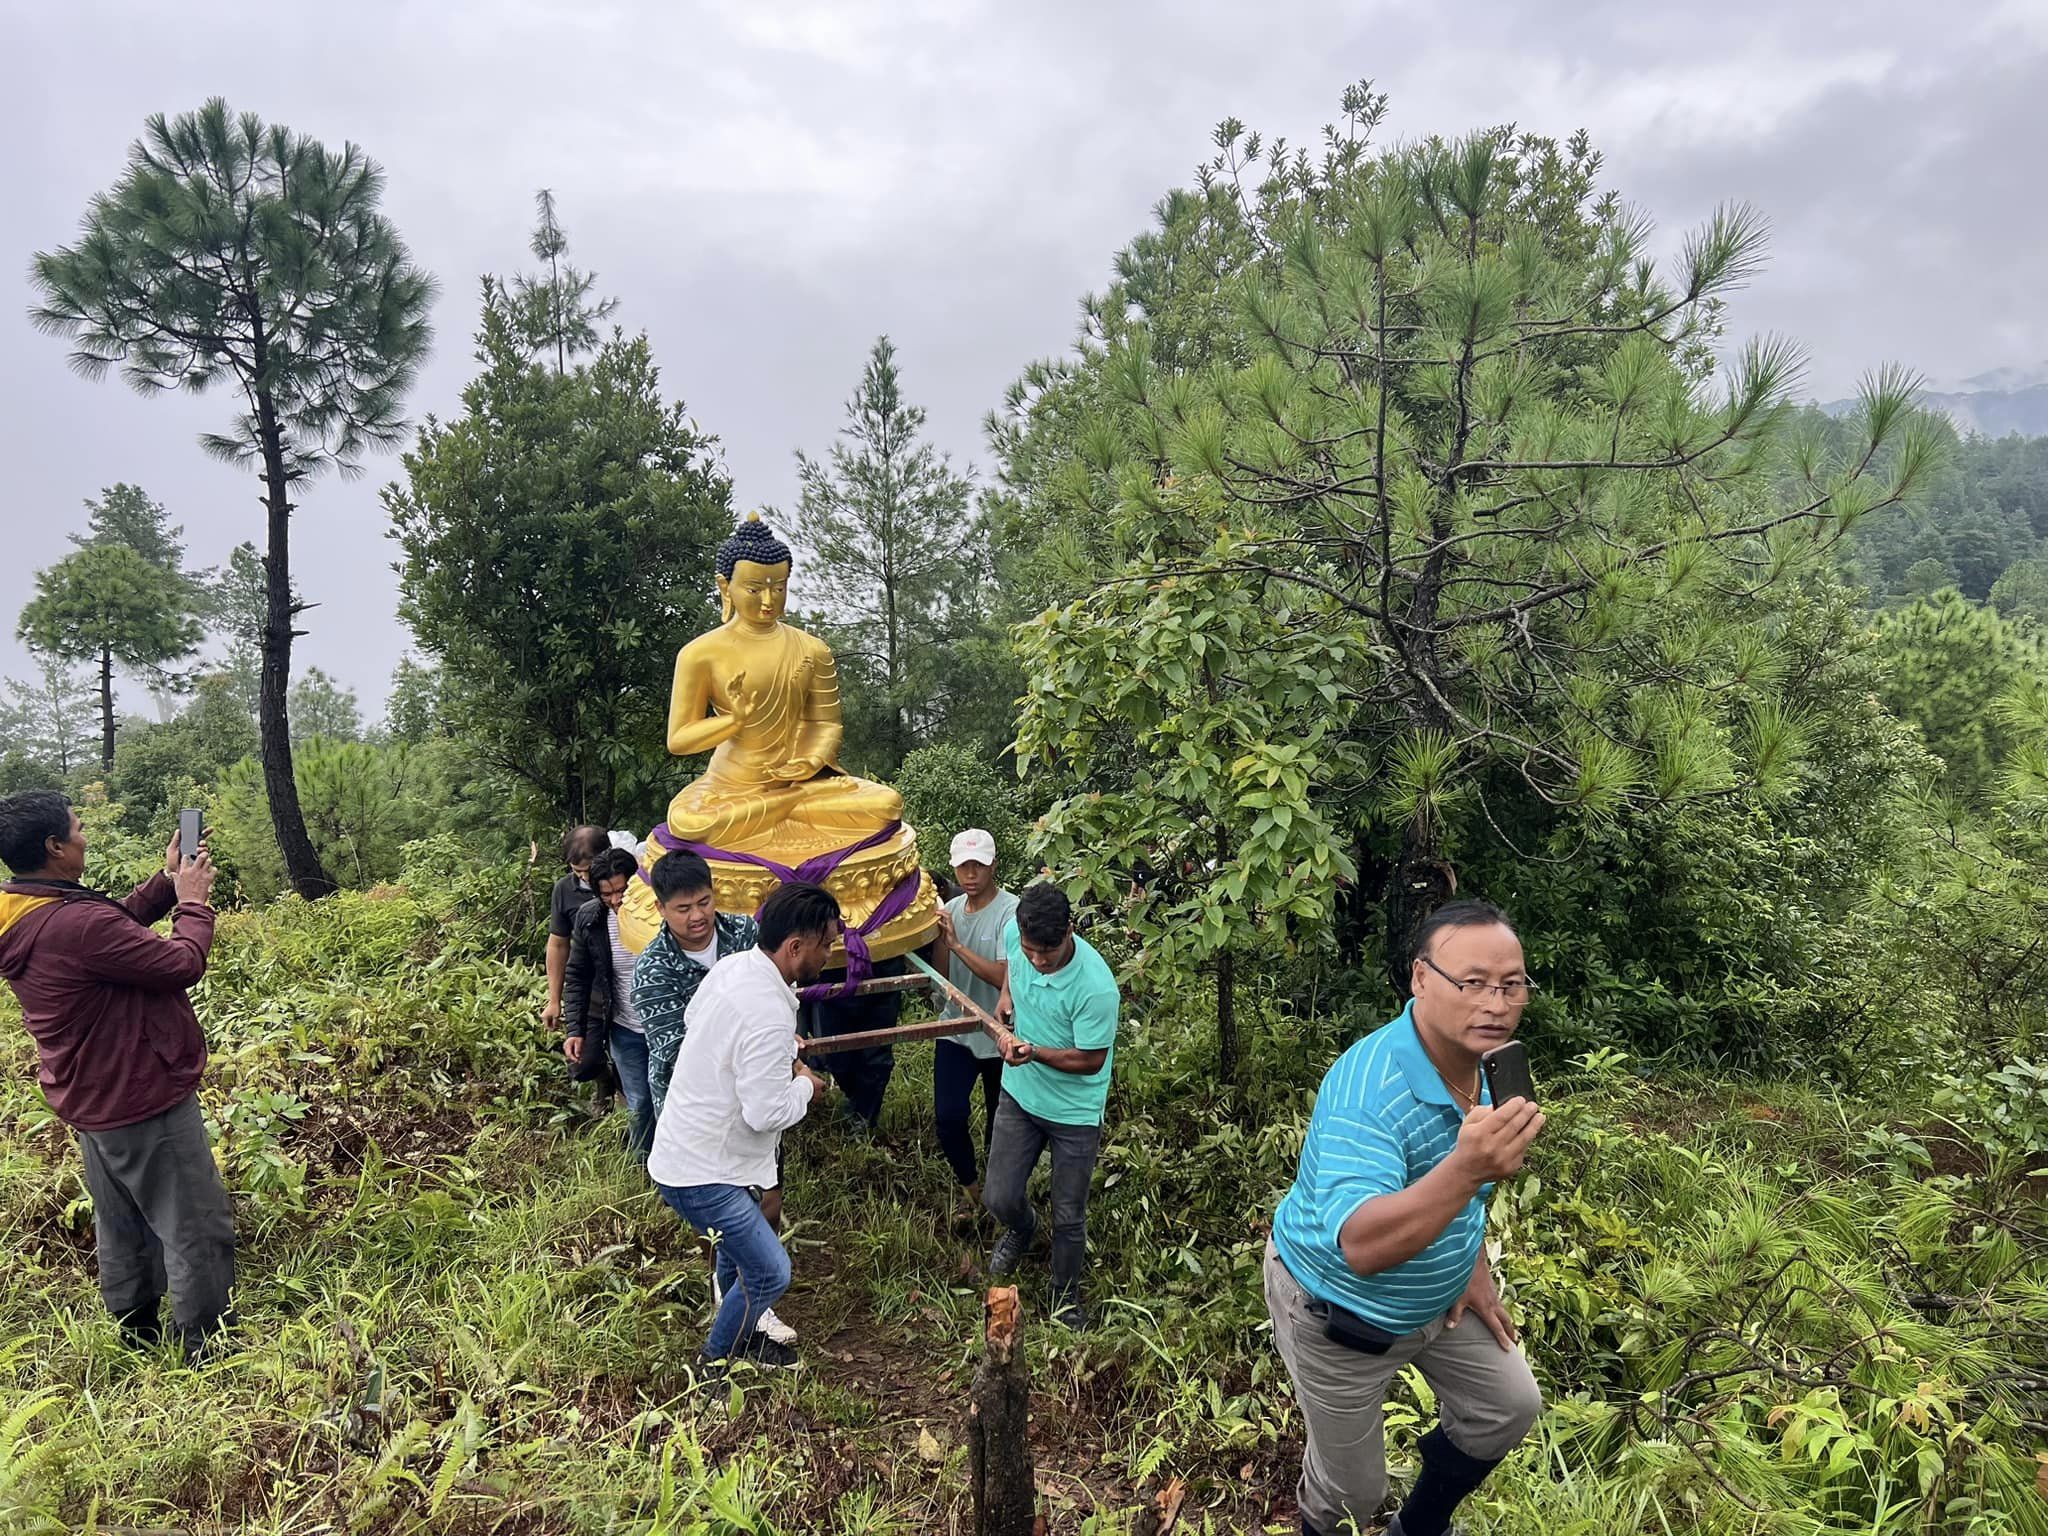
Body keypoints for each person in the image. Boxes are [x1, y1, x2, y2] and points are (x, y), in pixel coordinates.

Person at [1265, 900, 1546, 1536]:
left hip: (1437, 1305)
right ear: (1421, 978)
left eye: (1511, 985)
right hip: (1338, 1316)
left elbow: (1462, 1184)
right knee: (1353, 1494)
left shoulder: (1484, 1064)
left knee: (1507, 1406)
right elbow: (1360, 1244)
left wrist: (1472, 1265)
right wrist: (1469, 1169)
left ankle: (1418, 1529)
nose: (1496, 1004)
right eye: (1472, 983)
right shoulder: (1369, 1090)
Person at [0, 791, 234, 1363]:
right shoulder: (76, 925)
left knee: (123, 1223)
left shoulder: (24, 907)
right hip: (141, 1094)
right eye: (77, 829)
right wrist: (193, 904)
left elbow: (109, 930)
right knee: (194, 1226)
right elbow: (182, 963)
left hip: (90, 1097)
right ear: (55, 847)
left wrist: (163, 880)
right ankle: (204, 1349)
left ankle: (136, 1333)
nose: (84, 836)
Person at [646, 882, 839, 1371]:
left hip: (701, 1150)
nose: (831, 952)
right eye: (828, 943)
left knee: (736, 1255)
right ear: (796, 948)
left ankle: (747, 1335)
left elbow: (697, 1017)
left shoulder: (736, 967)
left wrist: (776, 1056)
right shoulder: (768, 1011)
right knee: (771, 1272)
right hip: (702, 1169)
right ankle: (714, 1362)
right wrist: (807, 1087)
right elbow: (766, 1111)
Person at [632, 851, 796, 1349]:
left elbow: (779, 995)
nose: (697, 916)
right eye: (683, 909)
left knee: (762, 1199)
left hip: (757, 1094)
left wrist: (778, 1051)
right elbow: (682, 1052)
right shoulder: (653, 971)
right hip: (699, 1113)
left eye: (704, 902)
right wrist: (765, 1053)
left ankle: (747, 1309)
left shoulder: (745, 936)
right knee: (725, 1218)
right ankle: (735, 1318)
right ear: (661, 909)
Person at [982, 882, 1120, 1328]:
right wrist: (1006, 995)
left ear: (1069, 931)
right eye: (1030, 950)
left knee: (1068, 1215)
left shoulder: (1095, 987)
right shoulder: (1015, 939)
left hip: (1074, 1114)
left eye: (1047, 951)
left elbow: (1091, 1059)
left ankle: (1064, 1298)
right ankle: (1021, 1227)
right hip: (1020, 1095)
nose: (1037, 960)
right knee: (999, 1196)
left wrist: (1035, 1051)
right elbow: (1012, 973)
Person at [930, 828, 1019, 1227]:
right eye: (963, 865)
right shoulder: (948, 911)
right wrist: (936, 937)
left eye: (978, 865)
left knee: (999, 1123)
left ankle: (1002, 1198)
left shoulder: (1011, 913)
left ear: (993, 865)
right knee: (948, 1117)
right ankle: (972, 1190)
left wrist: (957, 946)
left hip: (999, 1033)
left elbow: (1003, 975)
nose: (970, 873)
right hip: (956, 1030)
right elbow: (942, 977)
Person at [560, 847, 655, 1159]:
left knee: (672, 1097)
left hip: (666, 1025)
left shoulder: (658, 913)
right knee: (639, 1100)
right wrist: (575, 1029)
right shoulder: (591, 919)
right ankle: (645, 1165)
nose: (616, 900)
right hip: (625, 1027)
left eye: (622, 891)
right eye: (607, 894)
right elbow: (578, 975)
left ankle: (681, 1168)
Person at [543, 825, 610, 1035]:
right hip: (588, 995)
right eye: (576, 870)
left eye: (588, 870)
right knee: (583, 1063)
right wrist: (554, 1000)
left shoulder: (629, 884)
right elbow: (558, 944)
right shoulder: (564, 889)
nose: (583, 877)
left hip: (626, 992)